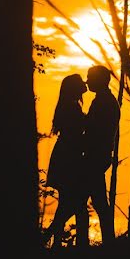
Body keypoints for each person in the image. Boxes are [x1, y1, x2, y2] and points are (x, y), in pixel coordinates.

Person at [42, 73, 89, 247]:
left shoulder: (69, 106)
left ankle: (52, 240)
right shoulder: (72, 107)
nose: (85, 84)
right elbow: (75, 135)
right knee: (75, 204)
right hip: (69, 158)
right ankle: (53, 240)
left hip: (66, 156)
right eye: (80, 83)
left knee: (69, 203)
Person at [82, 65, 119, 244]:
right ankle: (108, 242)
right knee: (97, 202)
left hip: (96, 156)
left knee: (87, 201)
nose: (87, 81)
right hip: (98, 156)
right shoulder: (103, 100)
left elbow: (95, 130)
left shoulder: (104, 102)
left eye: (90, 77)